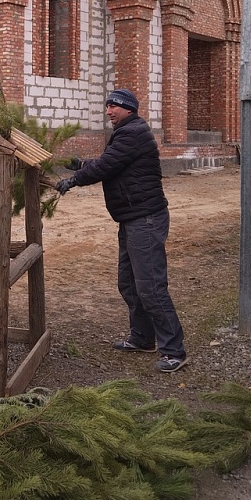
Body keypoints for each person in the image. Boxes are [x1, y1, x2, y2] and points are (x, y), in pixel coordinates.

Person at [55, 88, 188, 373]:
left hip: (146, 219)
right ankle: (142, 338)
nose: (109, 111)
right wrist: (81, 164)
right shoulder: (127, 132)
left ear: (128, 108)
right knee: (128, 283)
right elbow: (114, 163)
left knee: (150, 286)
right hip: (132, 218)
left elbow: (107, 165)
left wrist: (75, 178)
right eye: (107, 106)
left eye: (114, 106)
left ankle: (174, 350)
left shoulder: (133, 132)